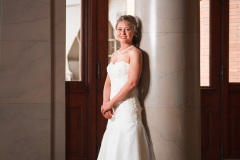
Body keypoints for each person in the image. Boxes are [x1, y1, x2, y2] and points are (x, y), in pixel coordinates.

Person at [97, 15, 155, 160]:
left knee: (128, 145)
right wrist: (106, 104)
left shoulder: (135, 53)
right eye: (119, 29)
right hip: (114, 109)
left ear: (134, 32)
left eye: (127, 29)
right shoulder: (115, 55)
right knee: (114, 144)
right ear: (115, 32)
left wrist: (112, 102)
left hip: (127, 106)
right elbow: (108, 82)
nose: (123, 32)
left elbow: (132, 83)